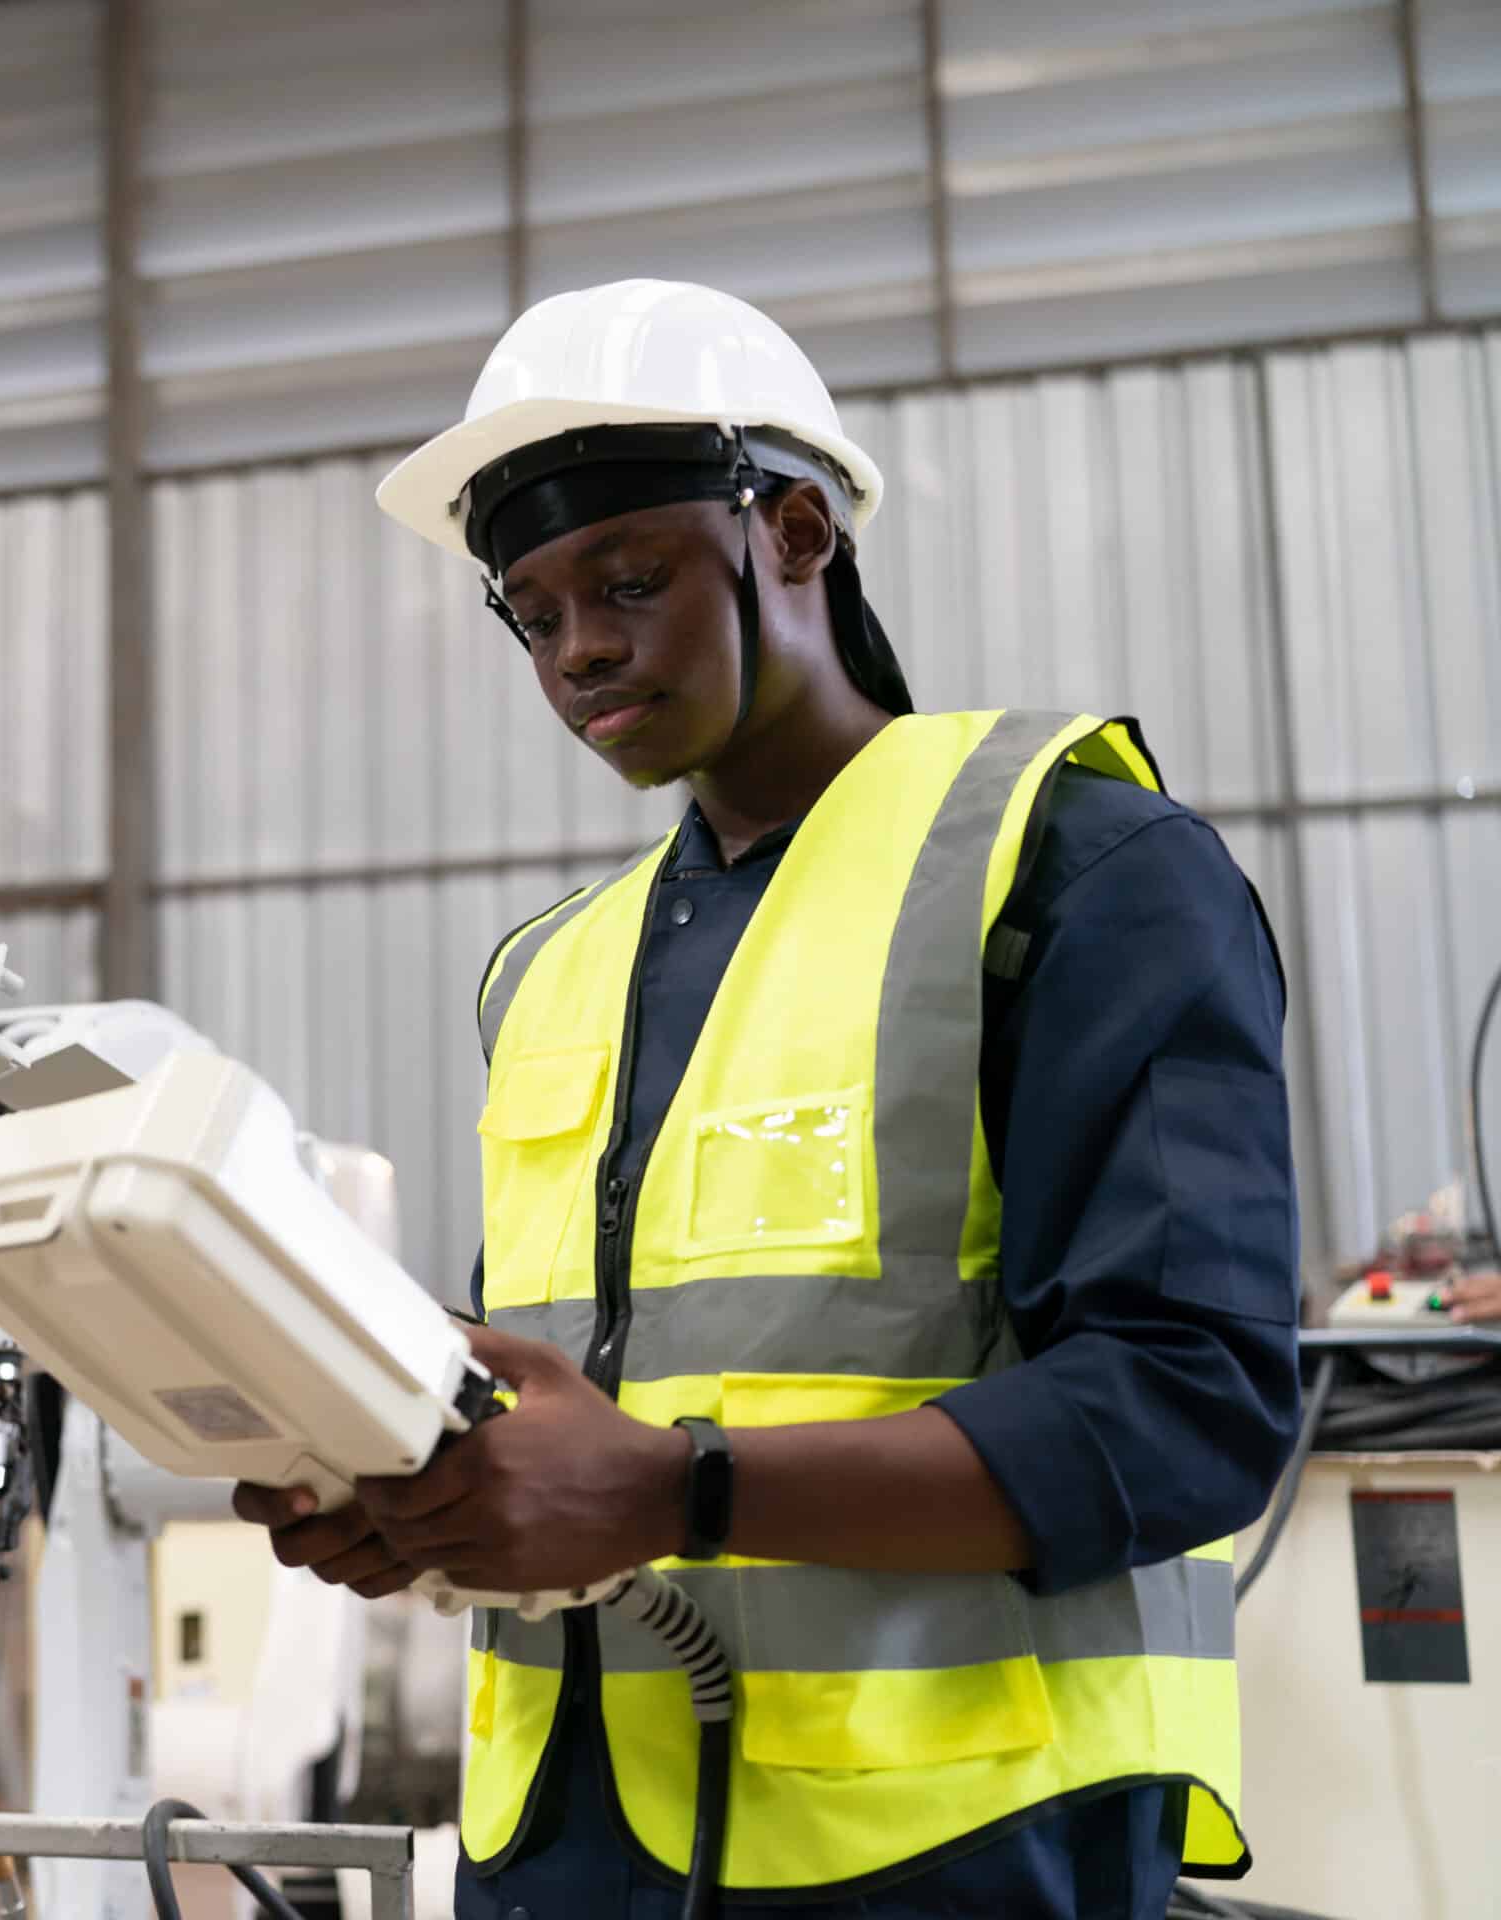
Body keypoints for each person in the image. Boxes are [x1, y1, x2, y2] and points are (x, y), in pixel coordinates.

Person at [232, 281, 1303, 1919]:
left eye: (629, 578)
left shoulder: (1075, 869)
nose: (579, 645)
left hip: (951, 1857)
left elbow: (1189, 1404)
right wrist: (418, 1488)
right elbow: (584, 1388)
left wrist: (679, 1490)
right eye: (531, 611)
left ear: (794, 530)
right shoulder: (552, 972)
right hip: (562, 1854)